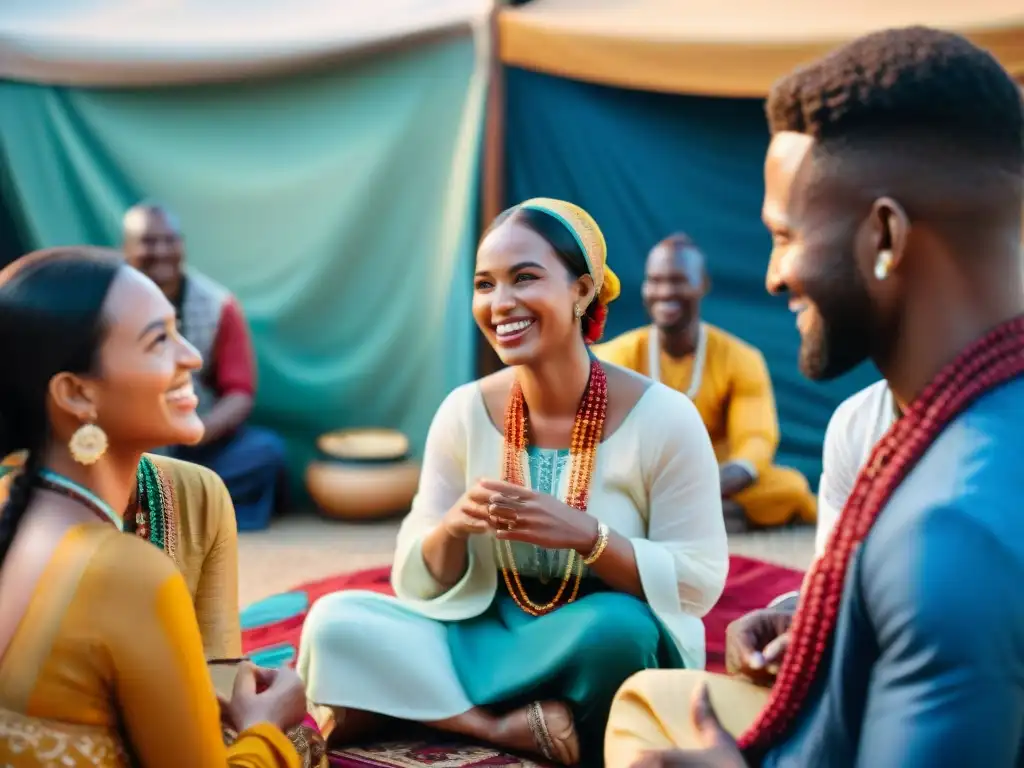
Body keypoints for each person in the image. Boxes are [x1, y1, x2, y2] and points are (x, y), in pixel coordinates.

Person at [605, 26, 1024, 767]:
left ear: (884, 237)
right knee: (650, 697)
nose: (773, 276)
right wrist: (810, 609)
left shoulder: (949, 535)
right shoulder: (954, 428)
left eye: (785, 235)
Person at [297, 199, 729, 767]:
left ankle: (416, 707)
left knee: (621, 635)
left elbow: (699, 582)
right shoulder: (463, 410)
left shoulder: (664, 418)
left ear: (581, 291)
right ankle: (505, 726)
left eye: (525, 278)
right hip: (481, 630)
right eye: (484, 284)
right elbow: (416, 579)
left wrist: (588, 537)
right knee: (334, 624)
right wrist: (452, 529)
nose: (501, 303)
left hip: (593, 636)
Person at [0, 247, 306, 766]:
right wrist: (268, 728)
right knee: (302, 742)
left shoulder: (35, 519)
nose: (192, 356)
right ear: (76, 393)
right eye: (159, 340)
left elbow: (217, 675)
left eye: (178, 328)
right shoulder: (130, 574)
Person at [595, 236, 815, 532]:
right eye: (655, 281)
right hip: (644, 480)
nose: (664, 292)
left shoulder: (741, 358)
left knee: (790, 486)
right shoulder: (618, 356)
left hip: (717, 480)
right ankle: (717, 519)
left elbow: (755, 442)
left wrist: (696, 487)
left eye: (677, 281)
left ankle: (672, 519)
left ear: (703, 284)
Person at [122, 202, 288, 530]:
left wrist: (199, 431)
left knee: (265, 451)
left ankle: (167, 507)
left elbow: (239, 393)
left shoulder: (215, 305)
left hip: (192, 441)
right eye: (149, 241)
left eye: (169, 240)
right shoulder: (109, 300)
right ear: (126, 249)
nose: (161, 251)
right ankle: (181, 506)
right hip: (129, 440)